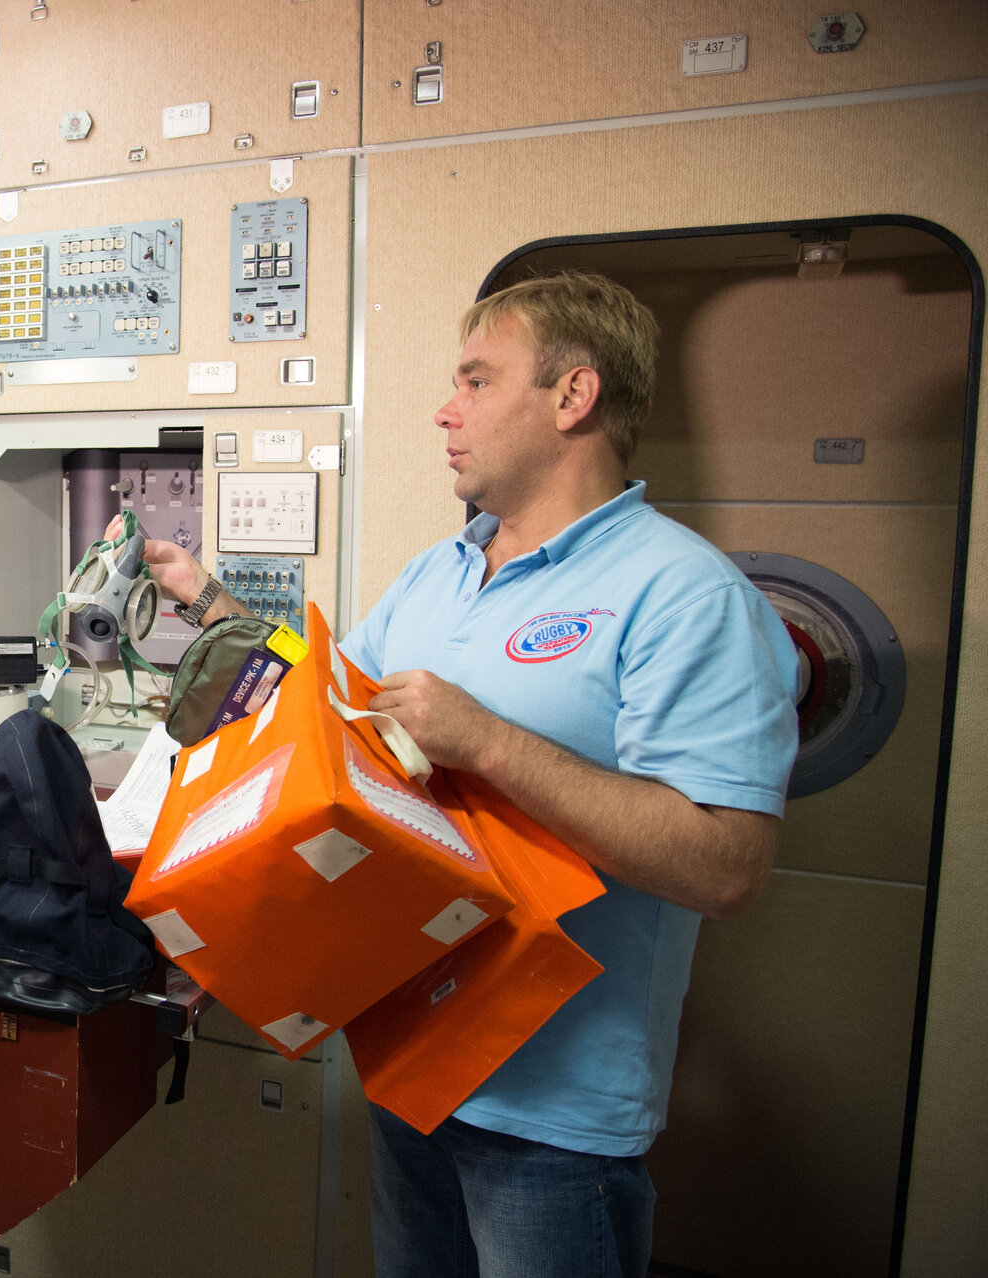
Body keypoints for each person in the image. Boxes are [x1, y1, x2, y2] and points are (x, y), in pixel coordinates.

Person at [137, 271, 799, 1276]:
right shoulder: (443, 572)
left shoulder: (683, 594)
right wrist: (215, 607)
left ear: (572, 397)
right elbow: (326, 727)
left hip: (556, 1113)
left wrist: (487, 742)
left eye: (478, 381)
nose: (446, 410)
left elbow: (725, 867)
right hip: (410, 1066)